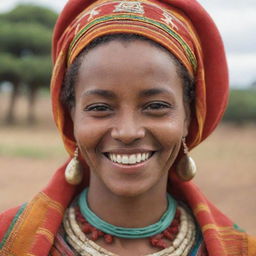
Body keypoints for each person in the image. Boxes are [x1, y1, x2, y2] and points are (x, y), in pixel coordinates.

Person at [0, 0, 255, 255]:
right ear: (71, 117)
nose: (128, 132)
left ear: (189, 116)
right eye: (100, 108)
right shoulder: (8, 242)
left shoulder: (241, 250)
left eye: (155, 106)